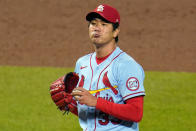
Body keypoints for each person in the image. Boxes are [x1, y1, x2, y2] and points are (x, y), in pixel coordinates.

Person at [70, 4, 146, 131]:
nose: (97, 28)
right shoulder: (82, 63)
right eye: (93, 23)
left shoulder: (126, 65)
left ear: (115, 31)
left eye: (104, 24)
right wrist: (69, 105)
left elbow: (136, 112)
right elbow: (90, 112)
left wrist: (96, 101)